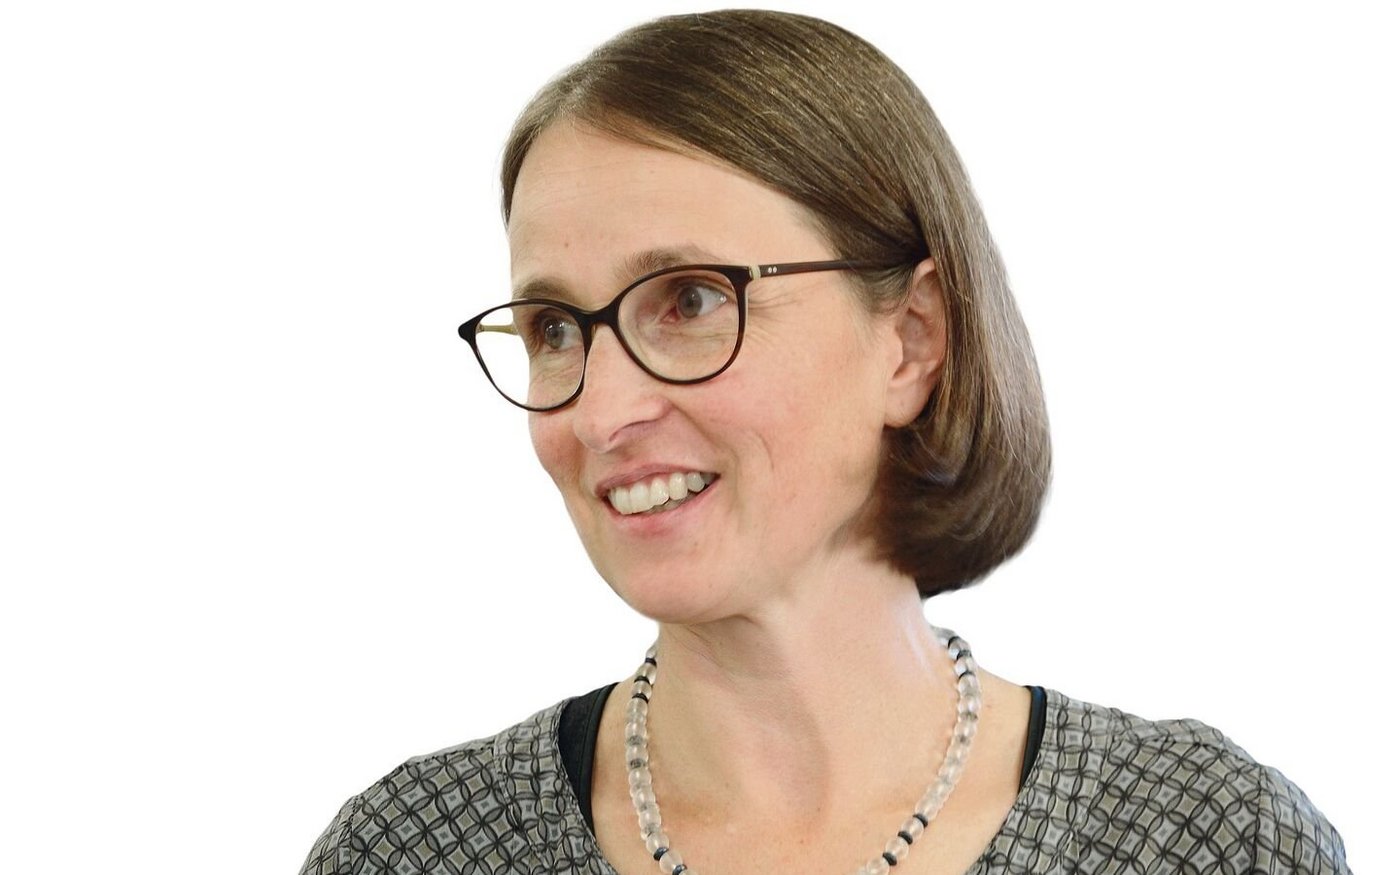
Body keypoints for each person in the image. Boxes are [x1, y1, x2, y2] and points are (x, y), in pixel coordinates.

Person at [300, 10, 1348, 874]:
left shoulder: (1203, 840)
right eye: (555, 329)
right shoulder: (416, 851)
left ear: (911, 340)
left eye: (691, 299)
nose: (600, 412)